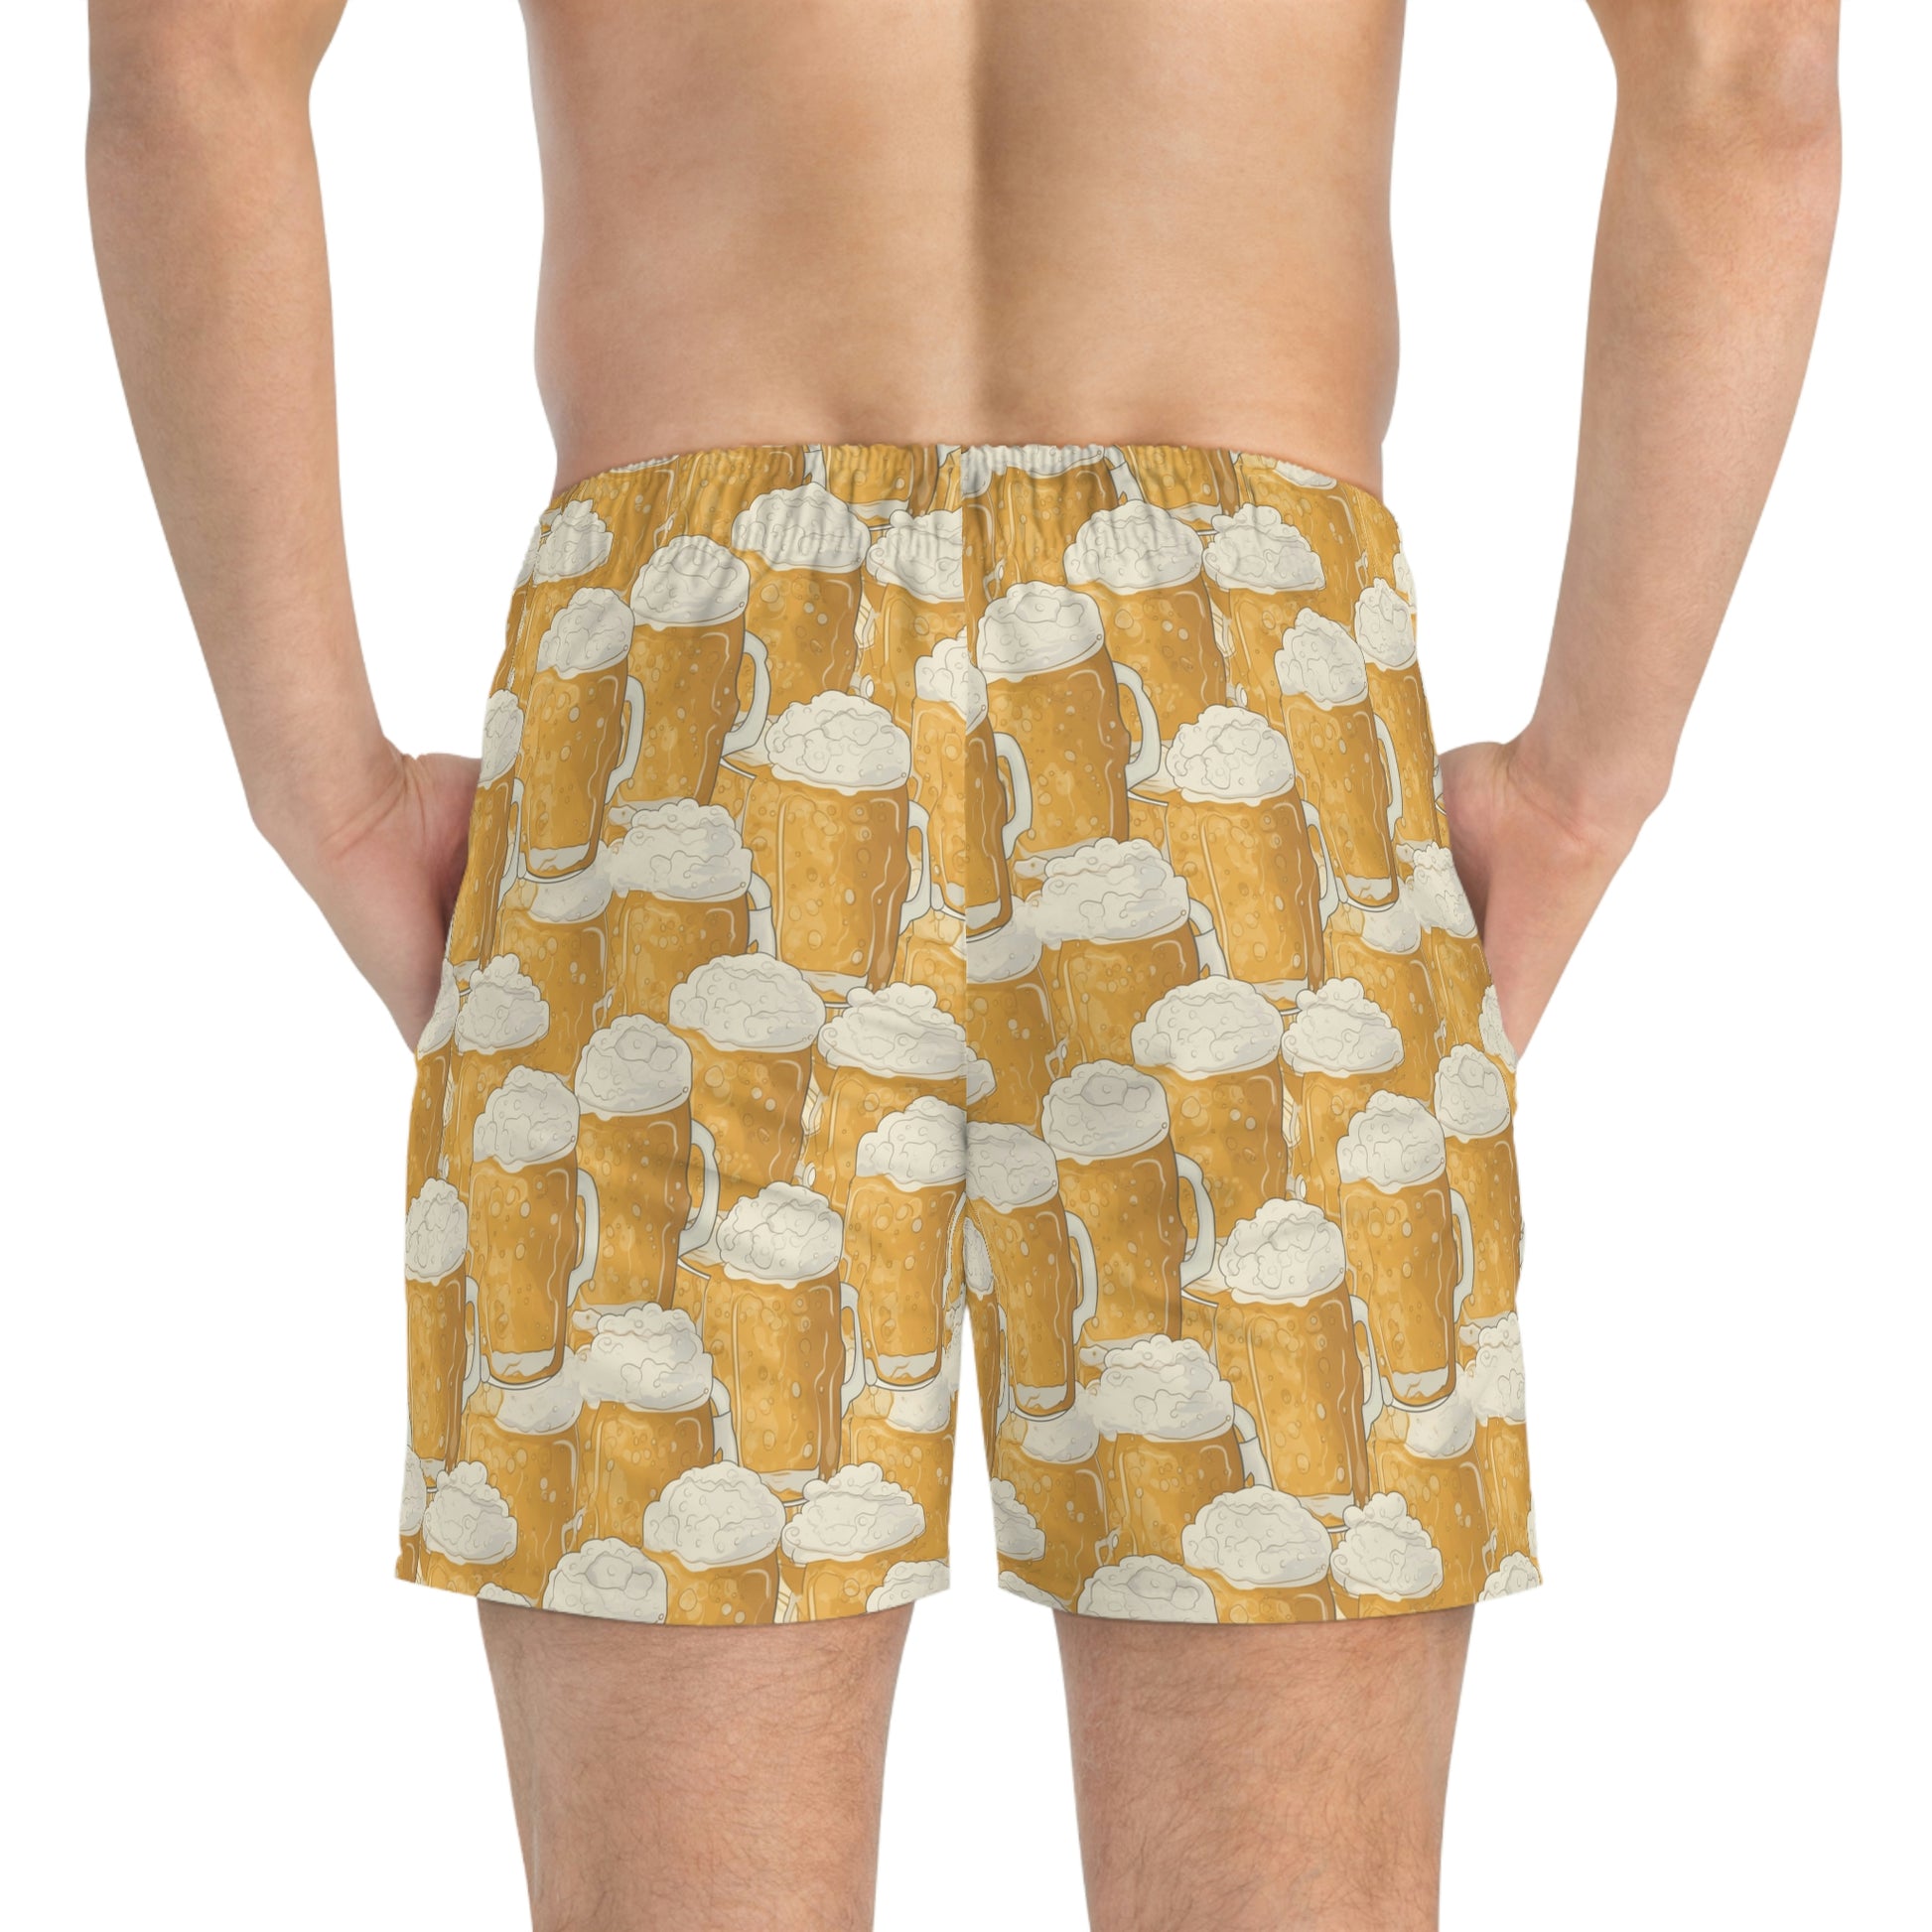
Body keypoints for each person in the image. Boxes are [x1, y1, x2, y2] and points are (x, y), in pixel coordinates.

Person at [85, 1, 1841, 1925]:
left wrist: (317, 778)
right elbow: (1742, 65)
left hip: (698, 701)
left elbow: (189, 58)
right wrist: (1587, 778)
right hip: (1246, 687)